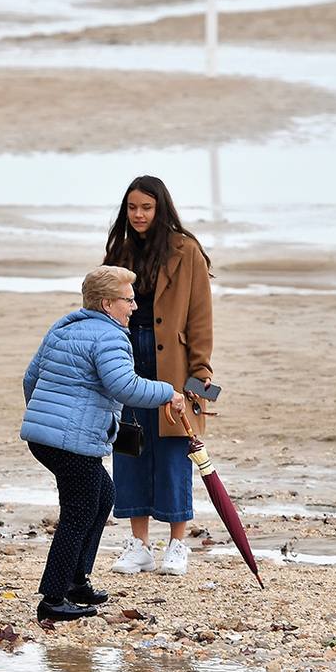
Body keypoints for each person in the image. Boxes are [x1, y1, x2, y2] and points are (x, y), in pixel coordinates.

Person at [21, 266, 186, 622]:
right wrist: (169, 392)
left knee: (102, 496)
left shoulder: (64, 326)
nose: (134, 306)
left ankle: (76, 581)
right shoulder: (110, 337)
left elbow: (30, 378)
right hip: (70, 441)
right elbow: (124, 386)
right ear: (108, 303)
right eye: (129, 300)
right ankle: (52, 598)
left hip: (46, 438)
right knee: (79, 511)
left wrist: (44, 421)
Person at [102, 176, 214, 578]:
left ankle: (178, 545)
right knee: (130, 446)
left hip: (174, 361)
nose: (138, 215)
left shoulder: (187, 251)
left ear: (160, 208)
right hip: (125, 355)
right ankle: (139, 545)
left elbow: (200, 316)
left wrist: (200, 374)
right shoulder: (119, 249)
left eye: (146, 208)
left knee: (172, 451)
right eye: (132, 208)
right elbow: (103, 307)